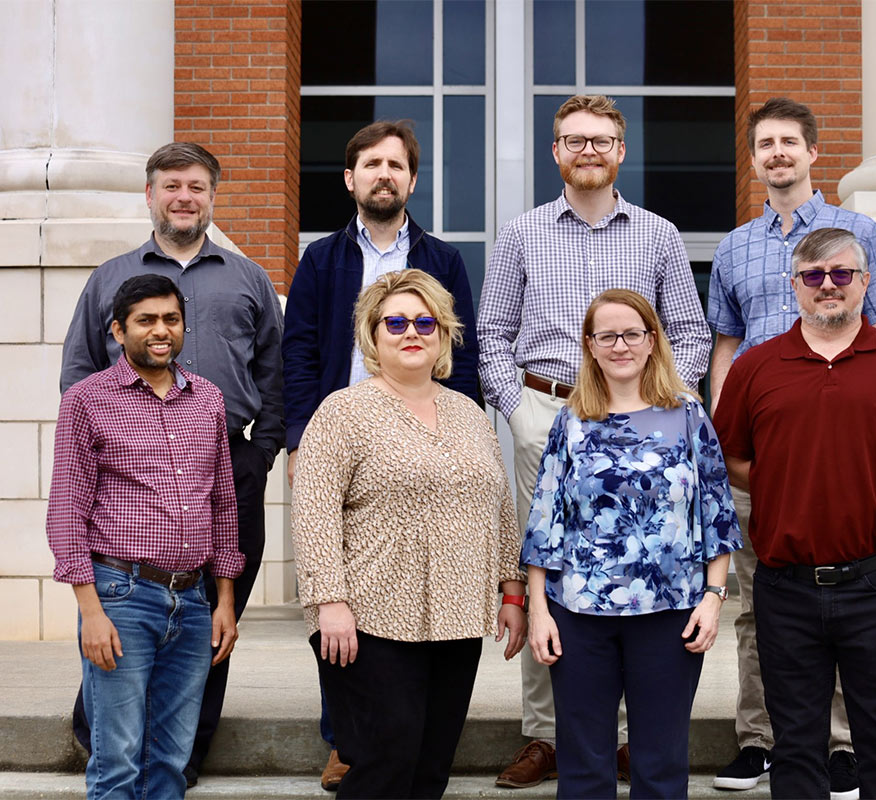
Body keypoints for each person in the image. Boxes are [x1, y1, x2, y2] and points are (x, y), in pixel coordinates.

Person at [479, 94, 712, 788]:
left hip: (644, 421)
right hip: (549, 413)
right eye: (574, 139)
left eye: (602, 140)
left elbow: (691, 333)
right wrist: (519, 409)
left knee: (636, 570)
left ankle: (633, 737)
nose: (588, 150)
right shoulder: (521, 234)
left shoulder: (659, 235)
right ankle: (549, 735)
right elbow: (492, 333)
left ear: (620, 151)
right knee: (548, 569)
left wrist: (671, 400)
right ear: (555, 151)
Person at [708, 97, 876, 798]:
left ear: (812, 152)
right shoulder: (735, 246)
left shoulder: (859, 232)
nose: (777, 154)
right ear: (755, 157)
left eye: (789, 142)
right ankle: (760, 740)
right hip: (763, 448)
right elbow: (727, 345)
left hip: (843, 443)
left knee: (848, 594)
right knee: (762, 602)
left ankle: (843, 747)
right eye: (765, 143)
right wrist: (722, 423)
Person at [60, 142, 284, 787]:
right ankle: (102, 738)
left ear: (212, 197)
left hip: (227, 459)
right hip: (126, 473)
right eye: (171, 186)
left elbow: (273, 368)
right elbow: (78, 367)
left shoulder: (247, 277)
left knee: (213, 614)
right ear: (150, 195)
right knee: (123, 609)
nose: (184, 197)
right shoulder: (110, 276)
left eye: (196, 187)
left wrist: (261, 451)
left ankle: (188, 751)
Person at [714, 227, 876, 799]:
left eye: (842, 274)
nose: (828, 286)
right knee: (796, 748)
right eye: (813, 276)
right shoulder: (757, 366)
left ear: (865, 282)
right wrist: (790, 484)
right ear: (795, 285)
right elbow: (731, 457)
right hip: (786, 585)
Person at [282, 119, 480, 790]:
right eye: (371, 164)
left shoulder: (441, 258)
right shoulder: (322, 258)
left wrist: (458, 430)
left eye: (396, 165)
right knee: (348, 592)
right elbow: (301, 351)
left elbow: (465, 350)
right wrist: (301, 438)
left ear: (412, 180)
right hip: (345, 435)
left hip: (424, 434)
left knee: (409, 593)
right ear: (350, 178)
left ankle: (376, 739)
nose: (383, 174)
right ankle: (350, 739)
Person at [290, 269, 526, 800]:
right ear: (372, 334)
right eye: (395, 321)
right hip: (368, 617)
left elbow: (499, 506)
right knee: (385, 759)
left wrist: (511, 590)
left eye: (425, 321)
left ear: (444, 334)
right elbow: (313, 512)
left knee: (431, 764)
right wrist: (329, 600)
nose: (411, 331)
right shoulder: (343, 411)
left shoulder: (470, 414)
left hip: (457, 615)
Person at [522, 289, 742, 799]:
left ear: (652, 341)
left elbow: (716, 514)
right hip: (579, 614)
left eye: (632, 334)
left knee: (661, 764)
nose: (620, 345)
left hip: (671, 613)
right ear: (590, 346)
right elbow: (544, 521)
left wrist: (713, 599)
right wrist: (539, 609)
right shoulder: (571, 421)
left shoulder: (688, 416)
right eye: (607, 336)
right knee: (582, 765)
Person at [47, 274, 245, 799]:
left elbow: (223, 503)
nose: (161, 330)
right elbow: (67, 512)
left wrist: (224, 601)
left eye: (171, 319)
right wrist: (91, 613)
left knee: (171, 763)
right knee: (116, 761)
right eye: (146, 320)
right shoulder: (87, 400)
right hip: (120, 598)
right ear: (118, 330)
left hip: (195, 601)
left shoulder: (207, 399)